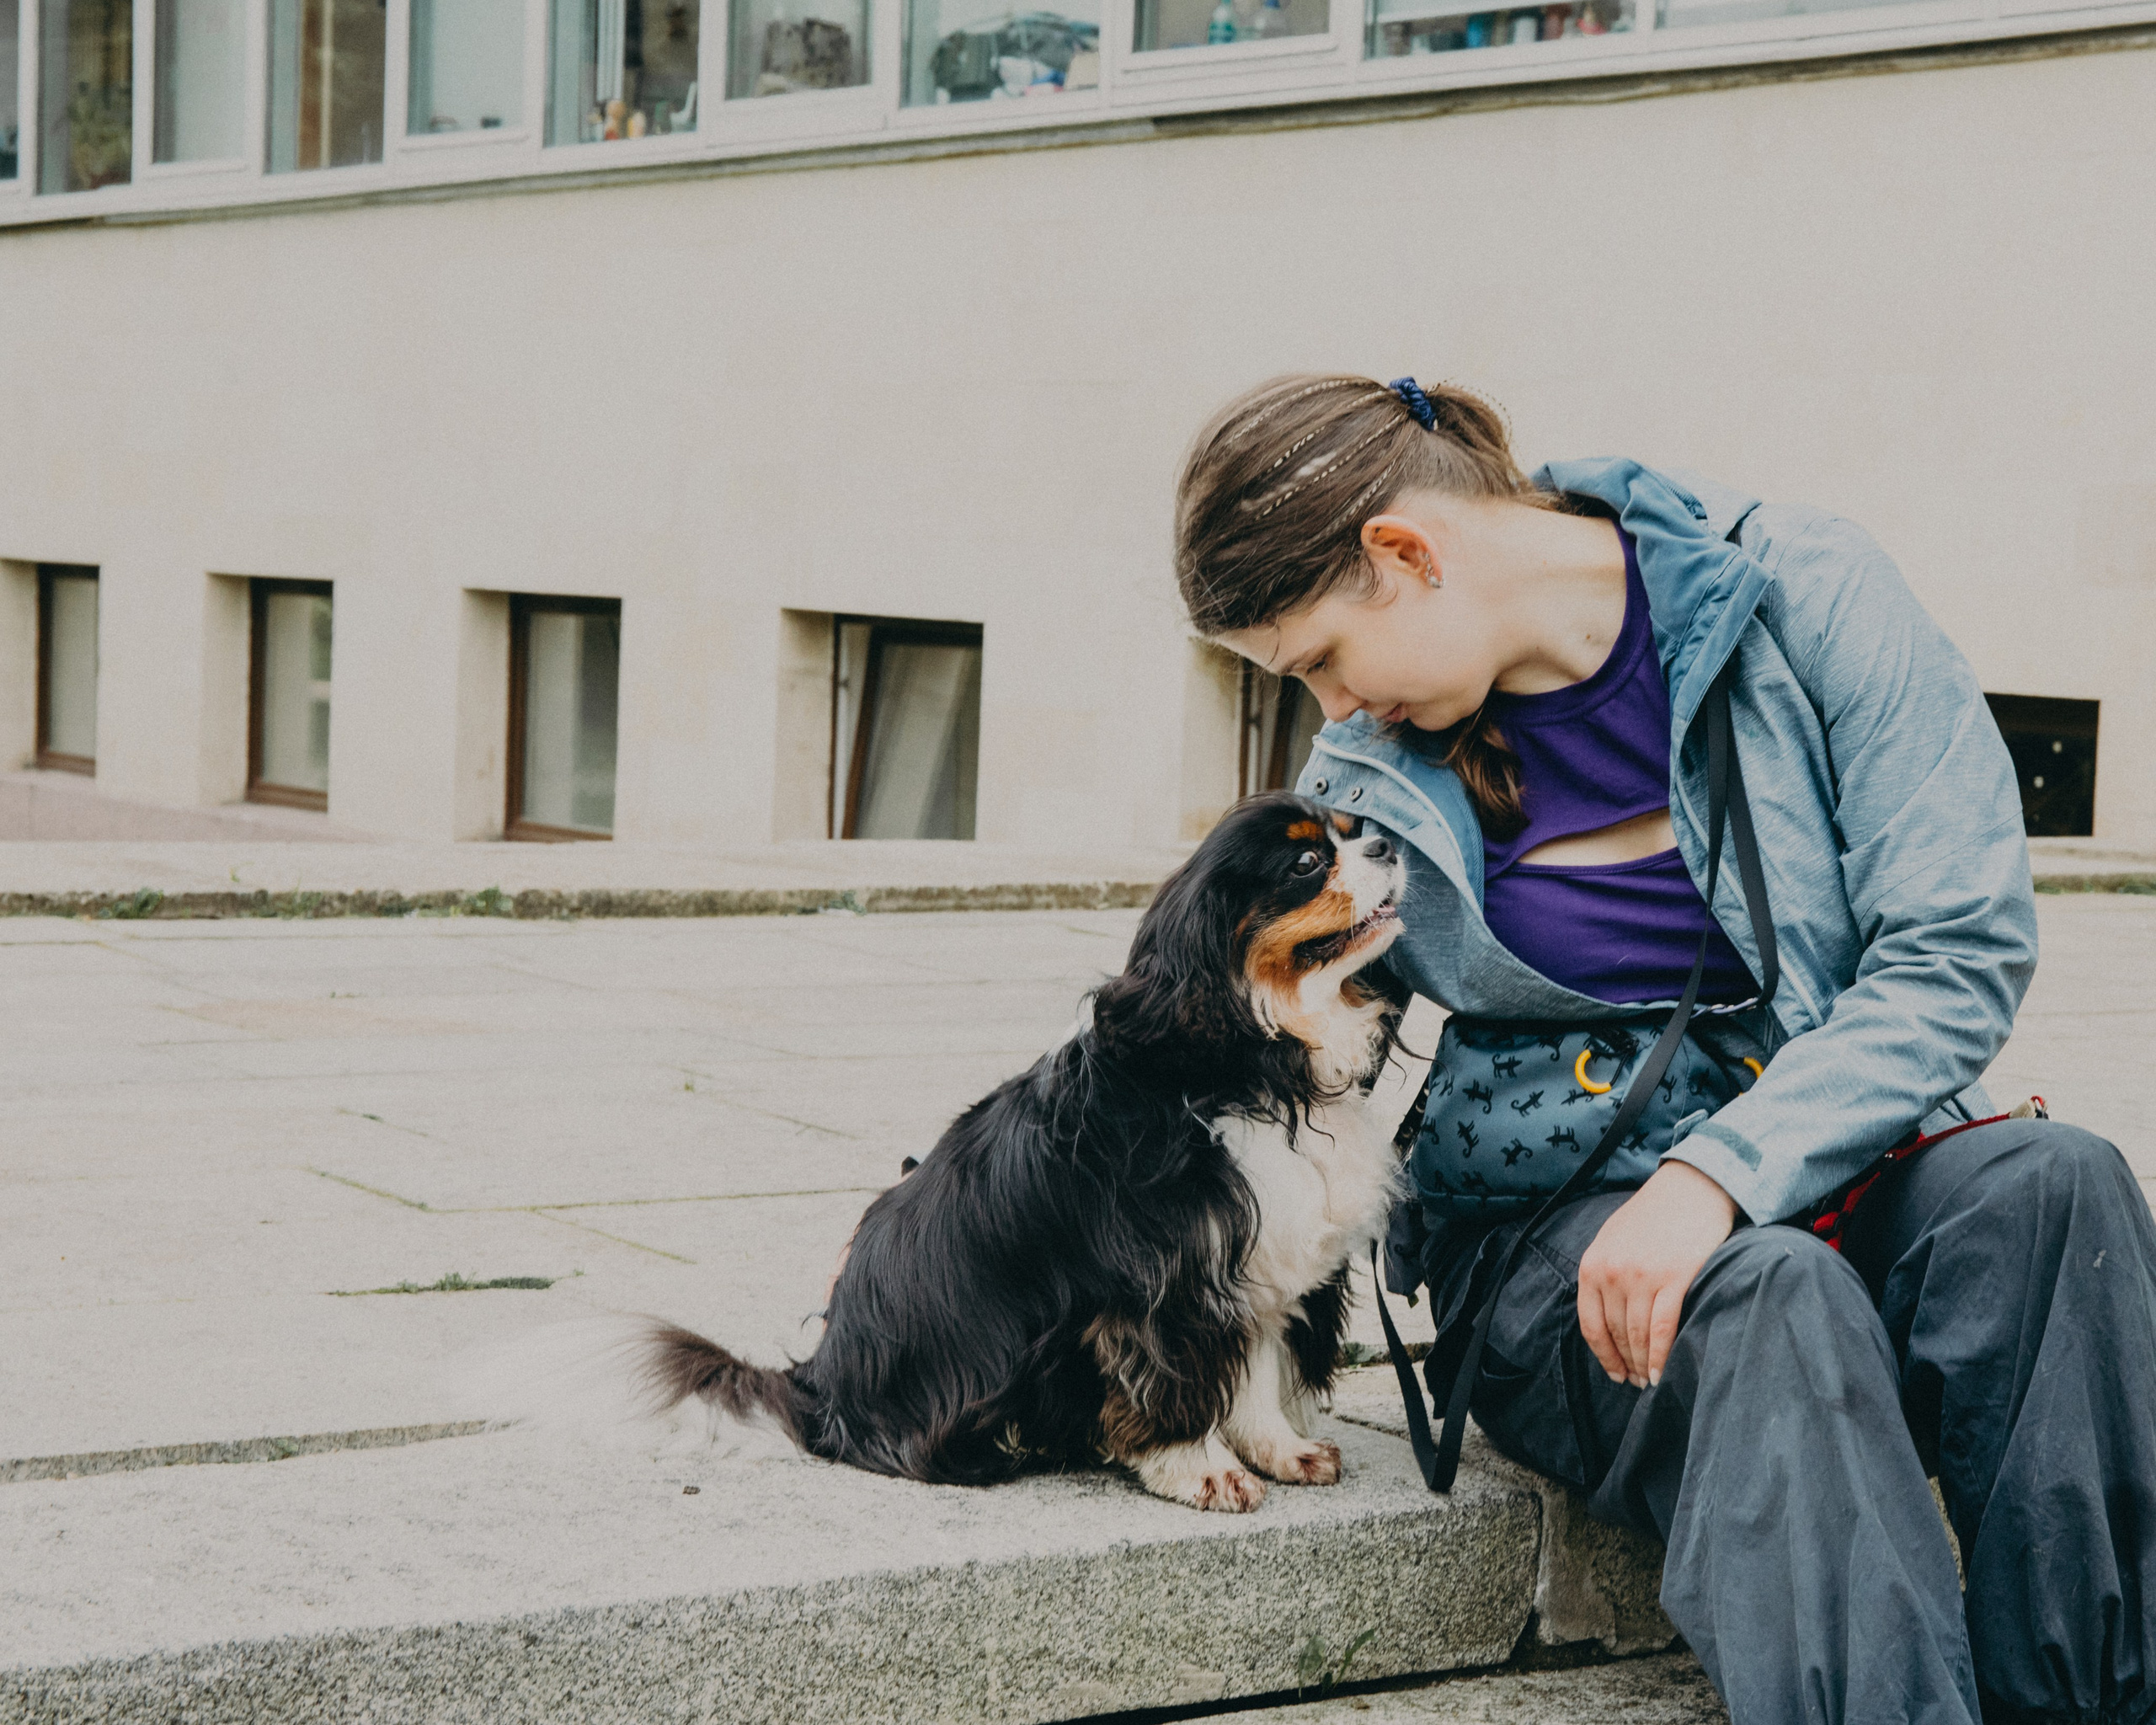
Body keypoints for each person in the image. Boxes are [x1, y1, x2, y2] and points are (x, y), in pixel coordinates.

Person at [1174, 372, 2156, 1725]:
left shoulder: (1804, 593)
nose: (1335, 709)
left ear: (1406, 555)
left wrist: (1716, 1176)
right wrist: (966, 1228)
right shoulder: (1370, 784)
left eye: (1322, 658)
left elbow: (1956, 954)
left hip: (1827, 1163)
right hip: (1558, 1244)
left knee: (2061, 1185)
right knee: (1768, 1298)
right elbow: (1203, 1019)